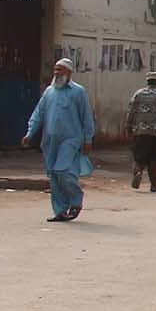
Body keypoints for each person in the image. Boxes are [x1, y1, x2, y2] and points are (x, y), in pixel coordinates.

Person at [23, 57, 97, 223]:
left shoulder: (78, 92)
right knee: (54, 176)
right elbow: (38, 114)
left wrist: (88, 139)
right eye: (55, 70)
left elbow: (86, 117)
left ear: (69, 72)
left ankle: (76, 199)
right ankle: (60, 211)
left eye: (60, 70)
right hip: (50, 140)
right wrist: (30, 133)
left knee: (62, 171)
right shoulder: (49, 91)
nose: (57, 73)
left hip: (71, 139)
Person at [125, 69, 156, 192]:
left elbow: (130, 112)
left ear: (147, 81)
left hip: (140, 131)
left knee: (139, 156)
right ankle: (154, 185)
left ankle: (138, 172)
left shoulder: (138, 94)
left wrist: (128, 128)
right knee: (155, 158)